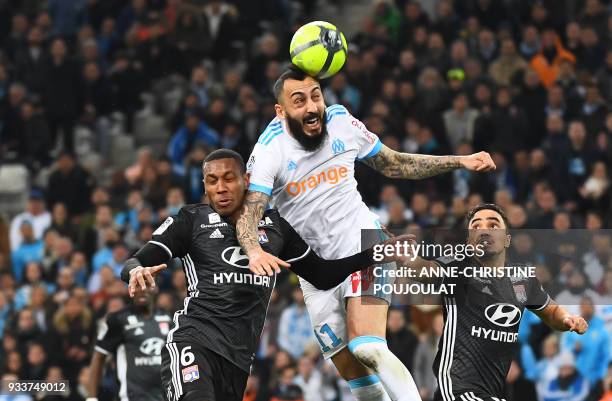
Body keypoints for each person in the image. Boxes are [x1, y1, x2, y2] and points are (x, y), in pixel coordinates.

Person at [236, 65, 496, 401]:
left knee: (367, 347)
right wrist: (253, 249)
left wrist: (459, 161)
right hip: (315, 271)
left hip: (365, 242)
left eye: (316, 96)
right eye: (299, 100)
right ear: (281, 110)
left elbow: (394, 163)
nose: (312, 106)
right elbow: (250, 210)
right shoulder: (271, 149)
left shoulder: (341, 121)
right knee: (356, 378)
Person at [121, 149, 408, 401]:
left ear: (246, 180)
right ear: (205, 186)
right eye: (212, 181)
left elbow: (322, 275)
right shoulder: (190, 220)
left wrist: (376, 254)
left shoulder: (275, 227)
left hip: (238, 360)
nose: (221, 188)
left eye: (228, 178)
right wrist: (136, 271)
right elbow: (136, 260)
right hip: (193, 342)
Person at [397, 203, 588, 401]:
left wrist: (568, 319)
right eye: (476, 226)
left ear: (507, 240)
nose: (484, 230)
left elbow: (552, 313)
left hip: (492, 393)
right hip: (456, 391)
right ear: (469, 241)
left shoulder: (523, 279)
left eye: (493, 225)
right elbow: (425, 269)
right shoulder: (457, 266)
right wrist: (406, 259)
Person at [87, 291, 171, 401]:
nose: (142, 290)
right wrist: (92, 398)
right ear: (130, 290)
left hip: (165, 396)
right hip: (132, 397)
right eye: (137, 285)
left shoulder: (168, 318)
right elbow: (98, 356)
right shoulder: (117, 319)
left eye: (146, 284)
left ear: (155, 288)